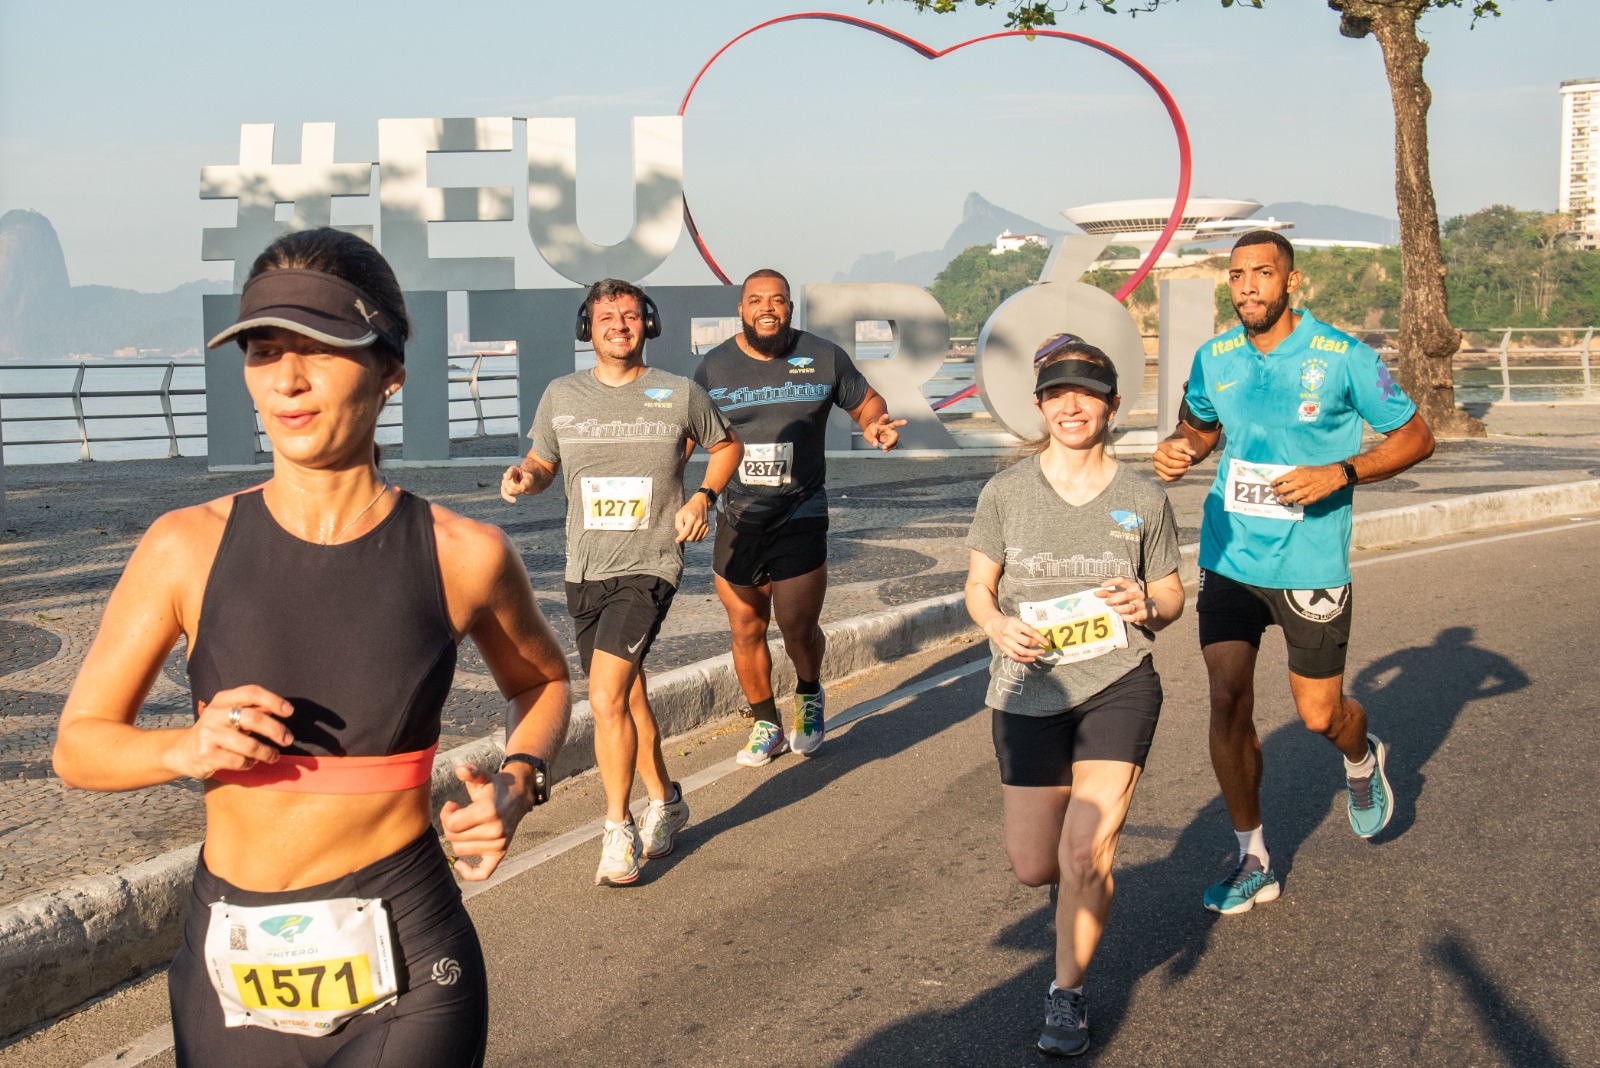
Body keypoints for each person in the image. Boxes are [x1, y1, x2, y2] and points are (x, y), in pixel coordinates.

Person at [52, 228, 572, 1067]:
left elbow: (545, 684)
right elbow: (78, 747)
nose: (288, 381)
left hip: (409, 956)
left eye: (321, 350)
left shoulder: (462, 552)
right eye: (264, 352)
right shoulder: (184, 545)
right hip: (229, 969)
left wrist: (517, 786)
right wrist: (185, 747)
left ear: (390, 368)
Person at [1152, 229, 1434, 916]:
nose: (1248, 286)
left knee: (1318, 715)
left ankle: (1362, 758)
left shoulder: (1341, 356)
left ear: (1291, 282)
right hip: (1231, 556)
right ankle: (1254, 858)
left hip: (1310, 562)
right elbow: (1200, 427)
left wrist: (1340, 472)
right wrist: (1179, 449)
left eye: (1263, 273)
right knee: (1226, 700)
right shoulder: (1214, 357)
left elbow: (1417, 436)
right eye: (1238, 275)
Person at [965, 336, 1184, 1058]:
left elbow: (1173, 593)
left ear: (1112, 407)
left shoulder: (1142, 497)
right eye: (1057, 395)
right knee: (1036, 865)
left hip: (1118, 683)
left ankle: (1068, 995)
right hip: (1029, 689)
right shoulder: (1005, 492)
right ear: (1039, 407)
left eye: (1086, 394)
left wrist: (1147, 603)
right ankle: (1070, 895)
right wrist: (998, 626)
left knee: (1086, 854)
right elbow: (979, 588)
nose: (1071, 406)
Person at [501, 279, 739, 886]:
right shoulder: (561, 394)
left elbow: (726, 445)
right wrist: (526, 477)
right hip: (585, 566)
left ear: (646, 325)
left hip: (651, 563)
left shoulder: (678, 393)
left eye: (630, 316)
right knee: (628, 695)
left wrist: (704, 497)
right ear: (589, 328)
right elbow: (544, 462)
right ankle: (668, 800)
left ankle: (617, 830)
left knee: (605, 698)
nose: (619, 325)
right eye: (607, 316)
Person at [693, 269, 905, 767]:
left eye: (778, 300)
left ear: (789, 308)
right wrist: (679, 494)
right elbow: (687, 433)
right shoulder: (714, 367)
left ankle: (809, 695)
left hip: (801, 507)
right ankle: (765, 722)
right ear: (742, 310)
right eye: (756, 301)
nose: (768, 308)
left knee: (796, 627)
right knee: (746, 626)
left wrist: (875, 425)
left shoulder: (823, 356)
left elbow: (866, 401)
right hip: (739, 514)